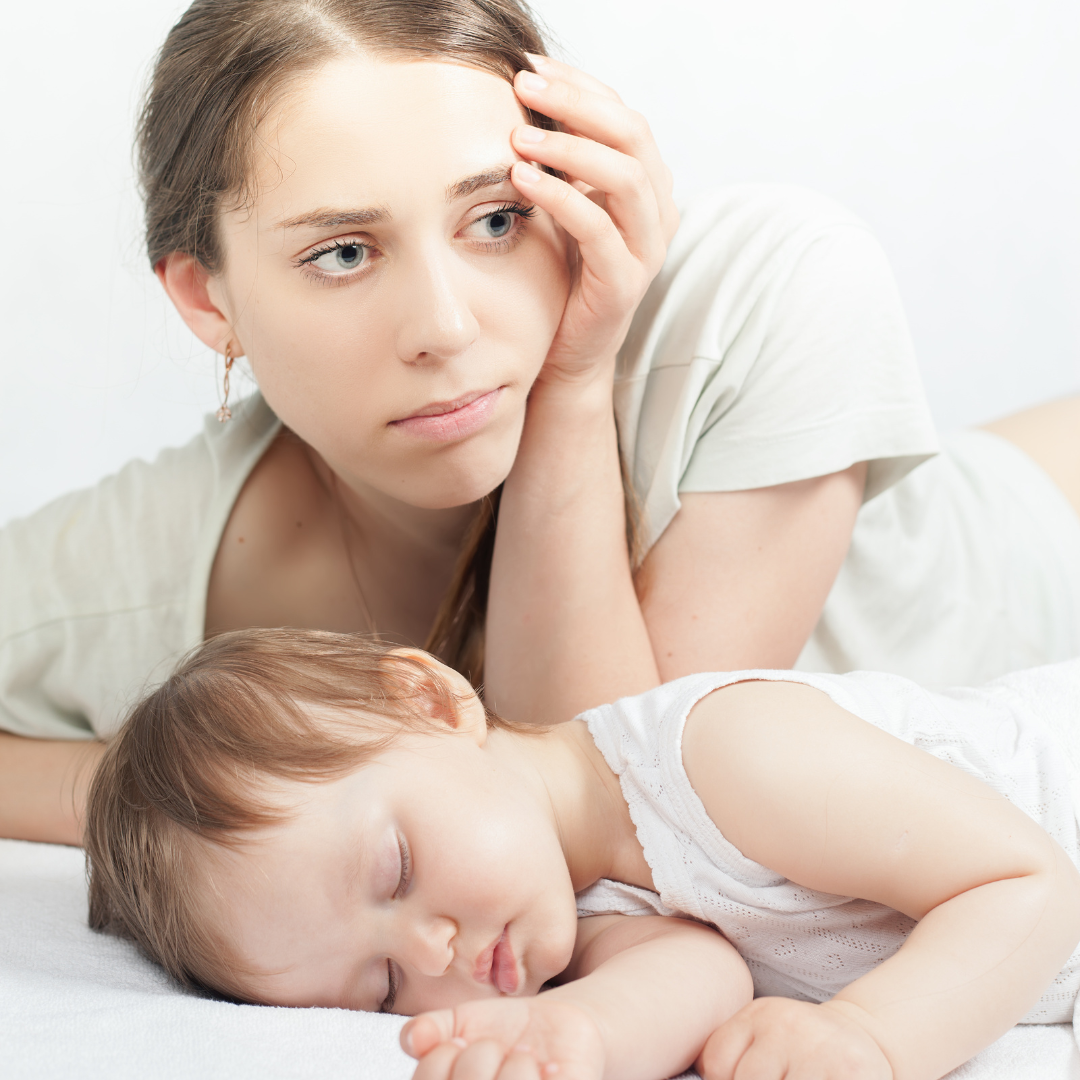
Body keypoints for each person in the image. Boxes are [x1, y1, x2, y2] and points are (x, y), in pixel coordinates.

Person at [2, 0, 1080, 847]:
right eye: (343, 252)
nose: (446, 325)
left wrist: (574, 381)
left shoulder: (773, 282)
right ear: (207, 299)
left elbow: (628, 802)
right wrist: (194, 784)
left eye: (497, 219)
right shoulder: (151, 562)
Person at [85, 627, 1080, 1080]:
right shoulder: (586, 906)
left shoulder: (725, 755)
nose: (431, 951)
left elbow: (1024, 882)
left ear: (430, 703)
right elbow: (700, 978)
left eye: (393, 871)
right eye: (382, 985)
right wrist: (571, 1042)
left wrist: (869, 1038)